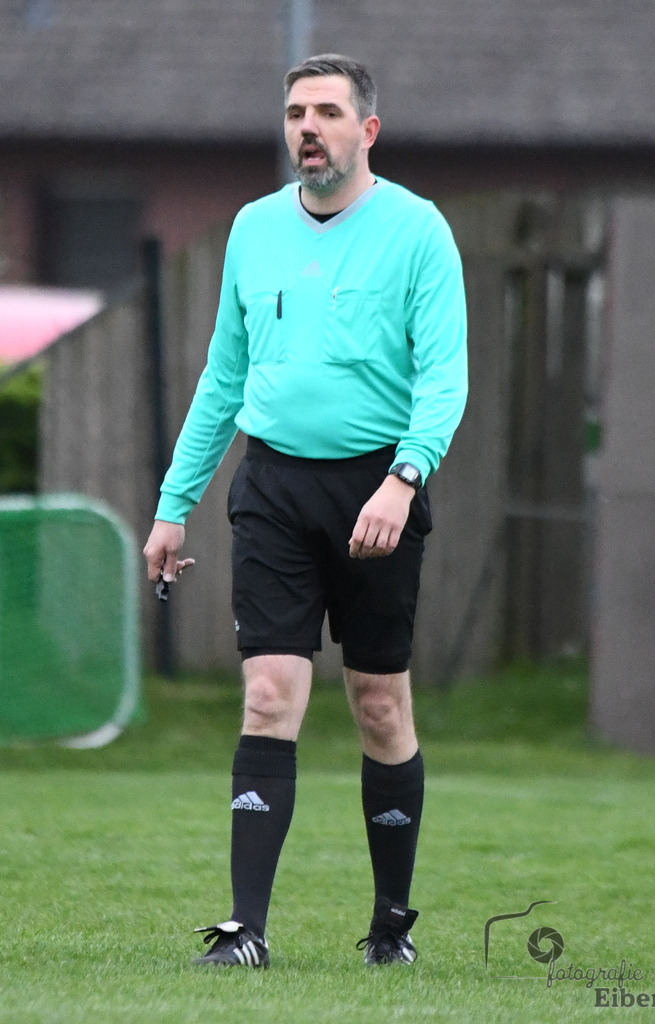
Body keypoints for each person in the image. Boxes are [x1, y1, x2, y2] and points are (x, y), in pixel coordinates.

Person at [143, 53, 467, 969]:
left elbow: (444, 376)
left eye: (326, 111)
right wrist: (172, 506)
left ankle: (390, 928)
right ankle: (244, 930)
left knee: (378, 705)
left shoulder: (418, 230)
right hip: (274, 488)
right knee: (267, 693)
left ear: (367, 130)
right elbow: (223, 379)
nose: (307, 128)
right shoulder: (252, 229)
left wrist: (404, 478)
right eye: (294, 113)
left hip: (377, 489)